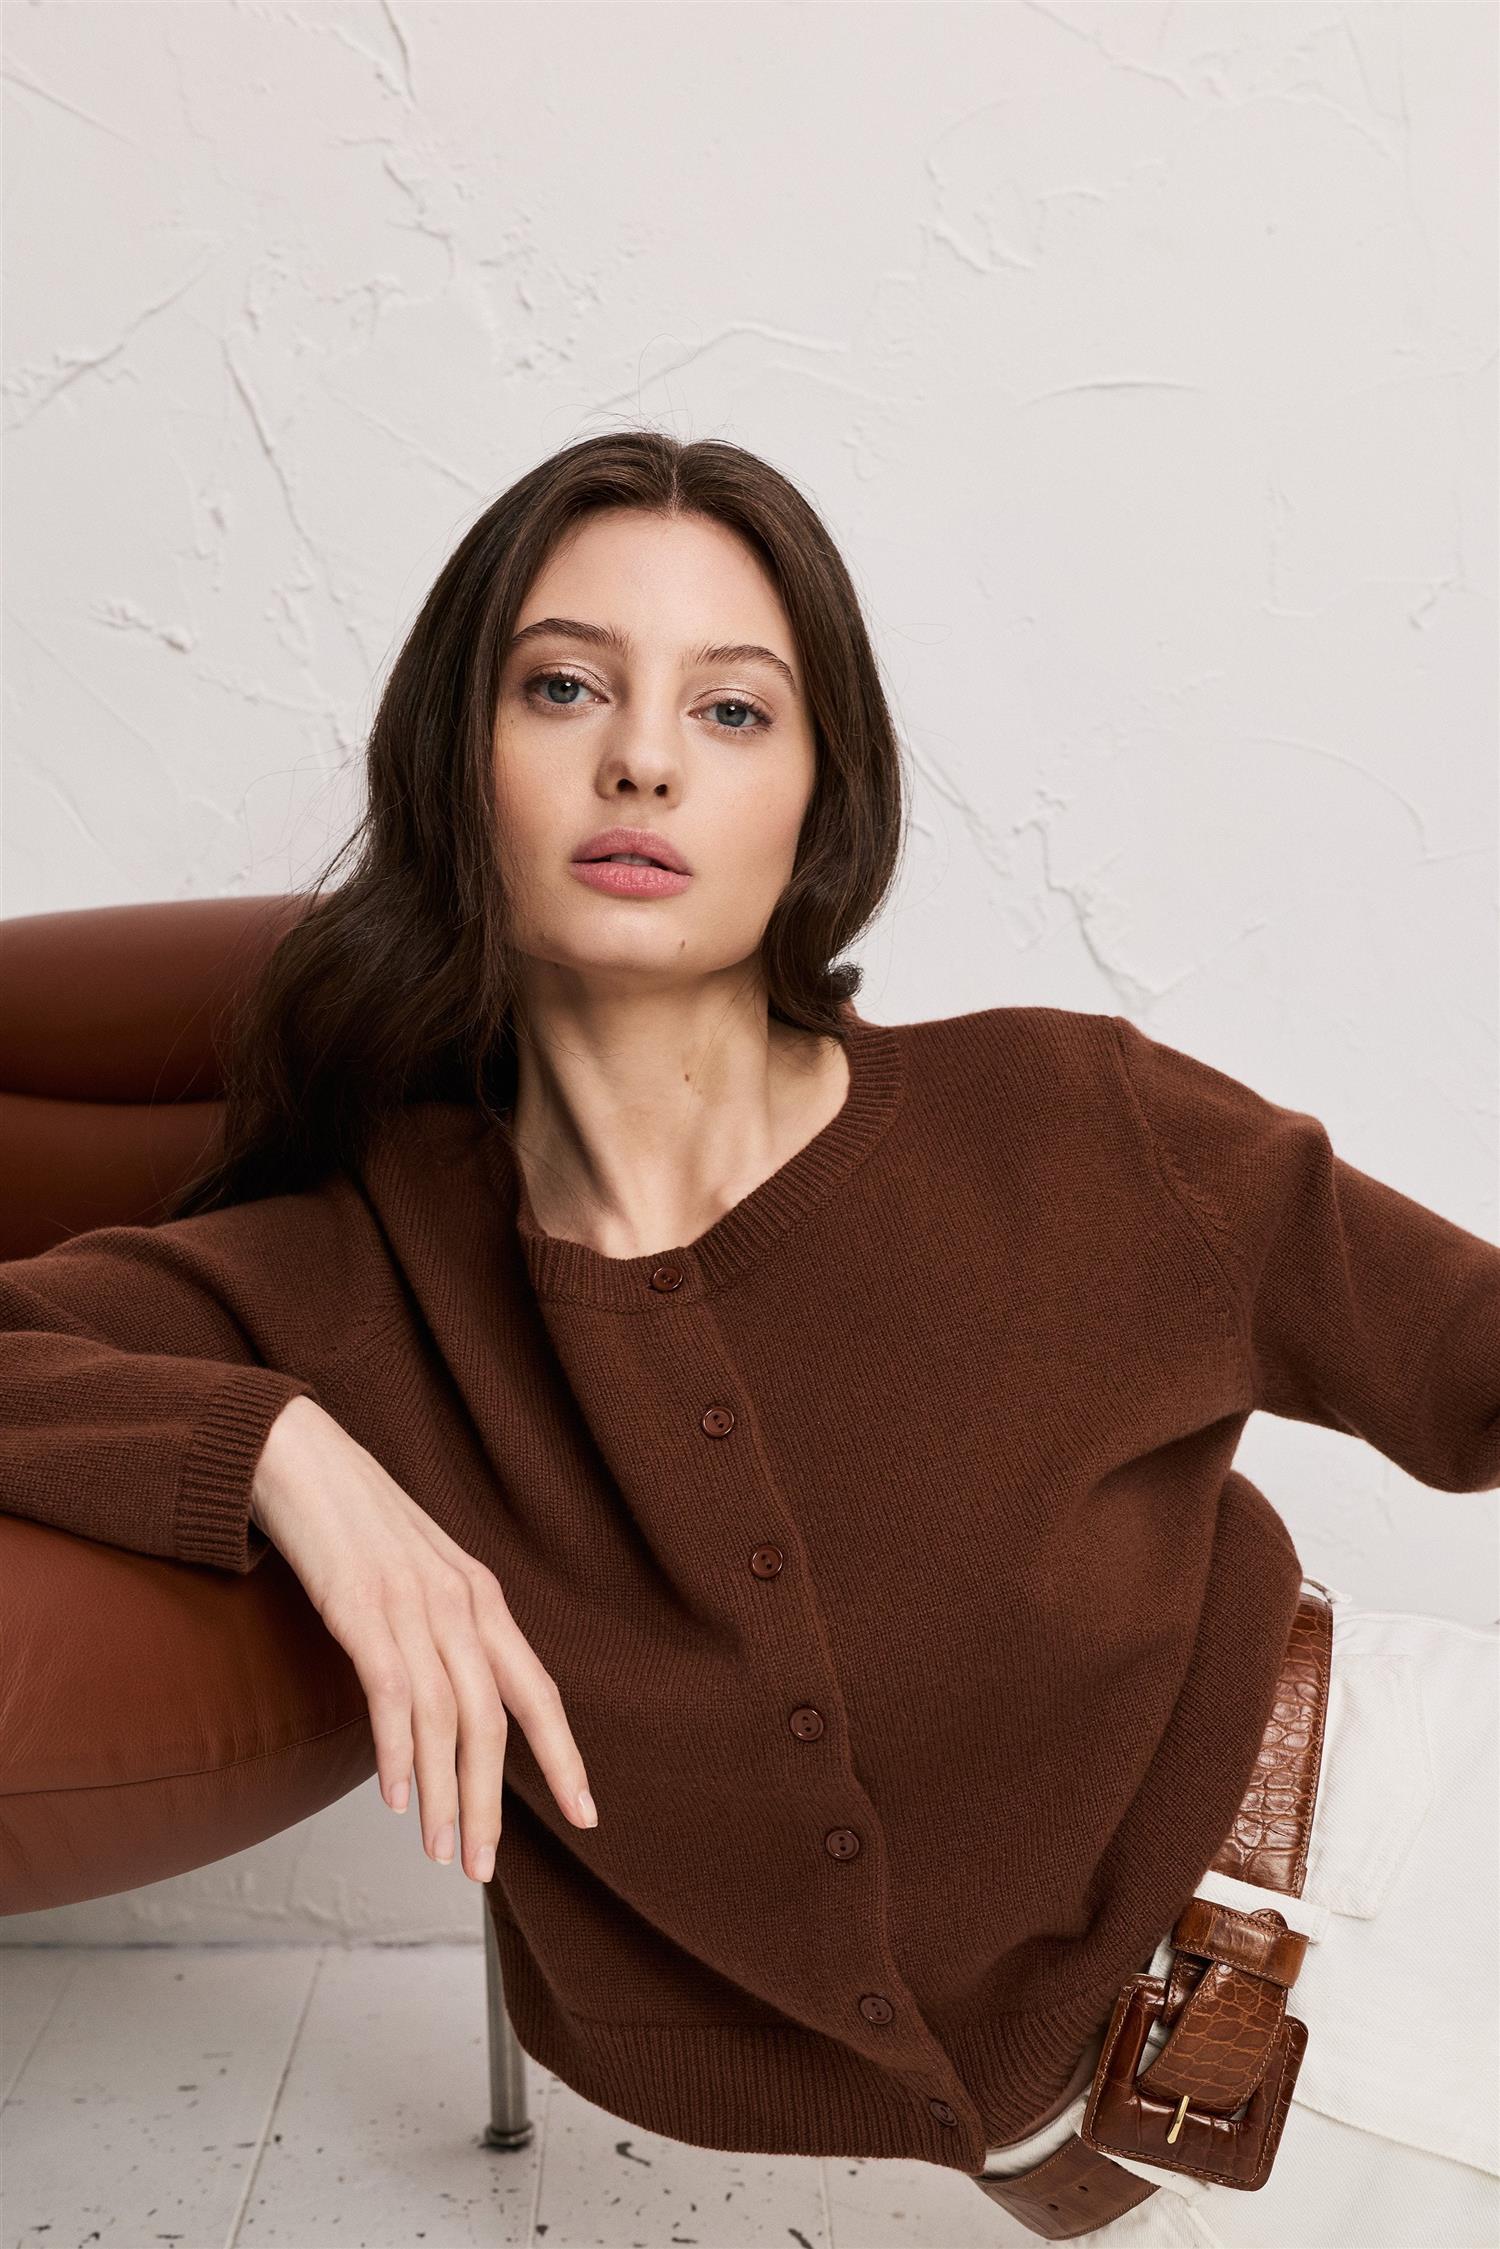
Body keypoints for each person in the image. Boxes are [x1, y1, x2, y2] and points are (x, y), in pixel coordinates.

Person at [2, 429, 1497, 2246]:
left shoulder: (1065, 1121)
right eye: (564, 686)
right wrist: (284, 1453)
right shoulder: (349, 1271)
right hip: (1165, 2151)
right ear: (454, 760)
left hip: (1417, 1843)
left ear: (816, 802)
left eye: (730, 710)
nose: (642, 756)